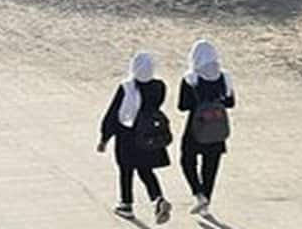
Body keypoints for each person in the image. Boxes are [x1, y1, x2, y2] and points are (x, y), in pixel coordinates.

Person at [99, 52, 173, 224]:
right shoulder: (159, 86)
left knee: (126, 170)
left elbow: (113, 113)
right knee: (146, 169)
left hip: (127, 134)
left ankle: (126, 205)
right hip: (148, 133)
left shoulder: (127, 87)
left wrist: (104, 138)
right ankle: (158, 199)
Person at [178, 39, 235, 216]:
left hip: (196, 126)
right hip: (217, 127)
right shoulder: (225, 76)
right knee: (210, 167)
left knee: (187, 160)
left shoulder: (190, 78)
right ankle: (206, 204)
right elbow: (230, 102)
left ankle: (198, 193)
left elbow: (182, 106)